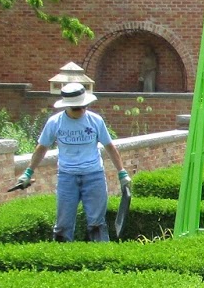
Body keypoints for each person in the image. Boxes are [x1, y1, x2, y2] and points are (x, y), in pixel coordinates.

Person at [17, 82, 131, 242]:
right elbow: (42, 148)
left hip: (94, 176)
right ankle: (62, 255)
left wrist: (122, 172)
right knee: (63, 226)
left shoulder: (95, 121)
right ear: (67, 106)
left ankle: (101, 255)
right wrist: (28, 172)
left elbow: (110, 147)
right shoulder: (55, 122)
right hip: (67, 177)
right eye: (77, 108)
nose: (81, 110)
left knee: (97, 224)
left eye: (84, 106)